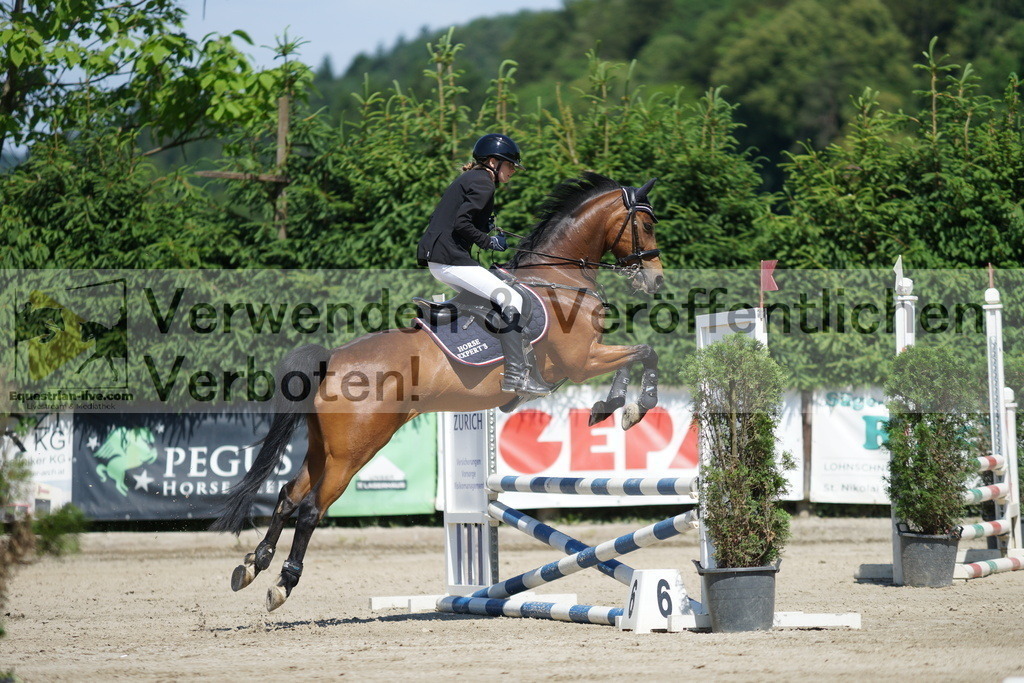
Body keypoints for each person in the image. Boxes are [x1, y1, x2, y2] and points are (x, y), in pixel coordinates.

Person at [417, 133, 549, 398]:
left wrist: (484, 227)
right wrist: (489, 242)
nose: (513, 171)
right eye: (510, 165)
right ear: (492, 162)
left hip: (443, 258)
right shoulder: (483, 182)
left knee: (496, 297)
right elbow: (460, 223)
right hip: (449, 260)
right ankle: (515, 376)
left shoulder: (473, 179)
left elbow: (455, 219)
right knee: (510, 298)